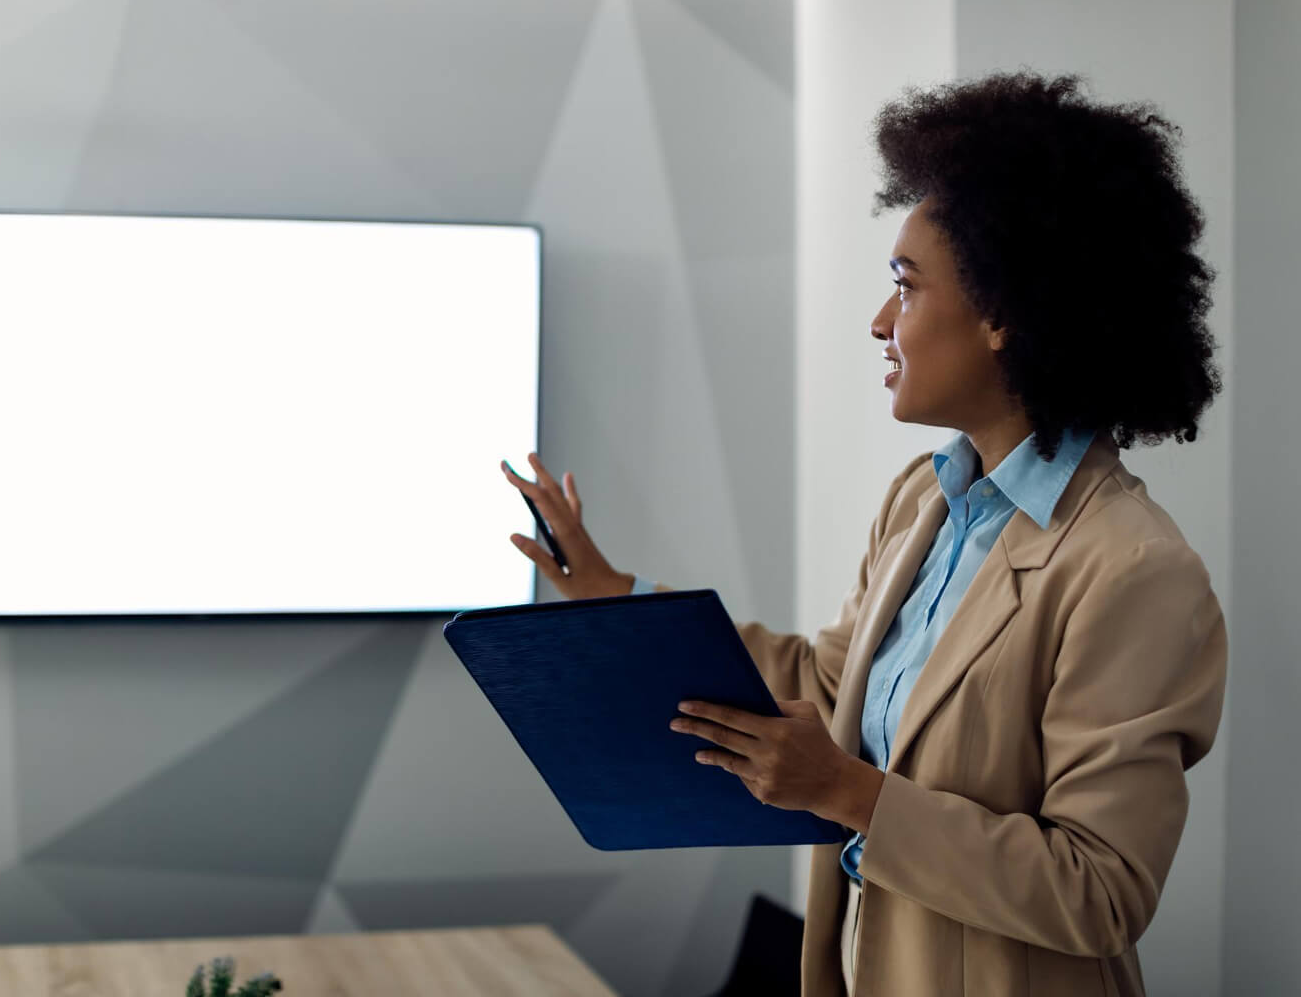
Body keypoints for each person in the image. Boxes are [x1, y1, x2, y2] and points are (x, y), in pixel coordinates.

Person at [500, 72, 1226, 997]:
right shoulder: (919, 502)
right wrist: (616, 600)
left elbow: (1100, 892)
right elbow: (828, 690)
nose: (882, 322)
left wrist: (848, 794)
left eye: (905, 288)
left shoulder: (1134, 571)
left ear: (1005, 313)